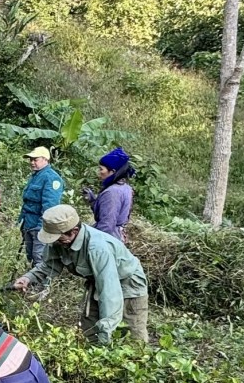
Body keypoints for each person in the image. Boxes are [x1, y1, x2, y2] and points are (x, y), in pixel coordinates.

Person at [11, 204, 149, 344]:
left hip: (127, 283)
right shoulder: (59, 240)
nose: (56, 243)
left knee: (132, 336)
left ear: (74, 231)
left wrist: (106, 330)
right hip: (98, 281)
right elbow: (49, 265)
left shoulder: (98, 248)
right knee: (90, 332)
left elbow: (109, 292)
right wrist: (27, 278)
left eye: (59, 239)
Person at [19, 146, 65, 267]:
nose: (32, 162)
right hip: (28, 223)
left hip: (40, 225)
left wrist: (42, 226)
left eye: (35, 159)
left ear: (45, 159)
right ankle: (30, 283)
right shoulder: (35, 176)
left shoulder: (51, 178)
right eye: (31, 160)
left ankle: (42, 285)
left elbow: (50, 206)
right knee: (30, 256)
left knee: (39, 257)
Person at [84, 147, 135, 243]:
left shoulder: (112, 192)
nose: (99, 173)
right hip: (118, 235)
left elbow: (106, 224)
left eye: (101, 169)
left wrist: (93, 243)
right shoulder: (125, 187)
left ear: (112, 172)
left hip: (110, 237)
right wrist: (92, 201)